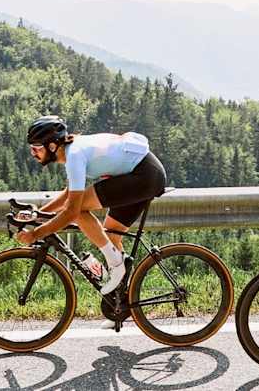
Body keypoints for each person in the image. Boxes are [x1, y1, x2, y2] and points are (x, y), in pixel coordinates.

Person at [17, 115, 167, 296]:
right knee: (111, 235)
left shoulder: (74, 156)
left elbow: (71, 211)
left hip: (144, 175)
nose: (33, 154)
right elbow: (69, 193)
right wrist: (39, 214)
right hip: (144, 173)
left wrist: (36, 234)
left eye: (36, 149)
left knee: (78, 210)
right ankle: (120, 305)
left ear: (51, 146)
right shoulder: (73, 150)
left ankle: (117, 265)